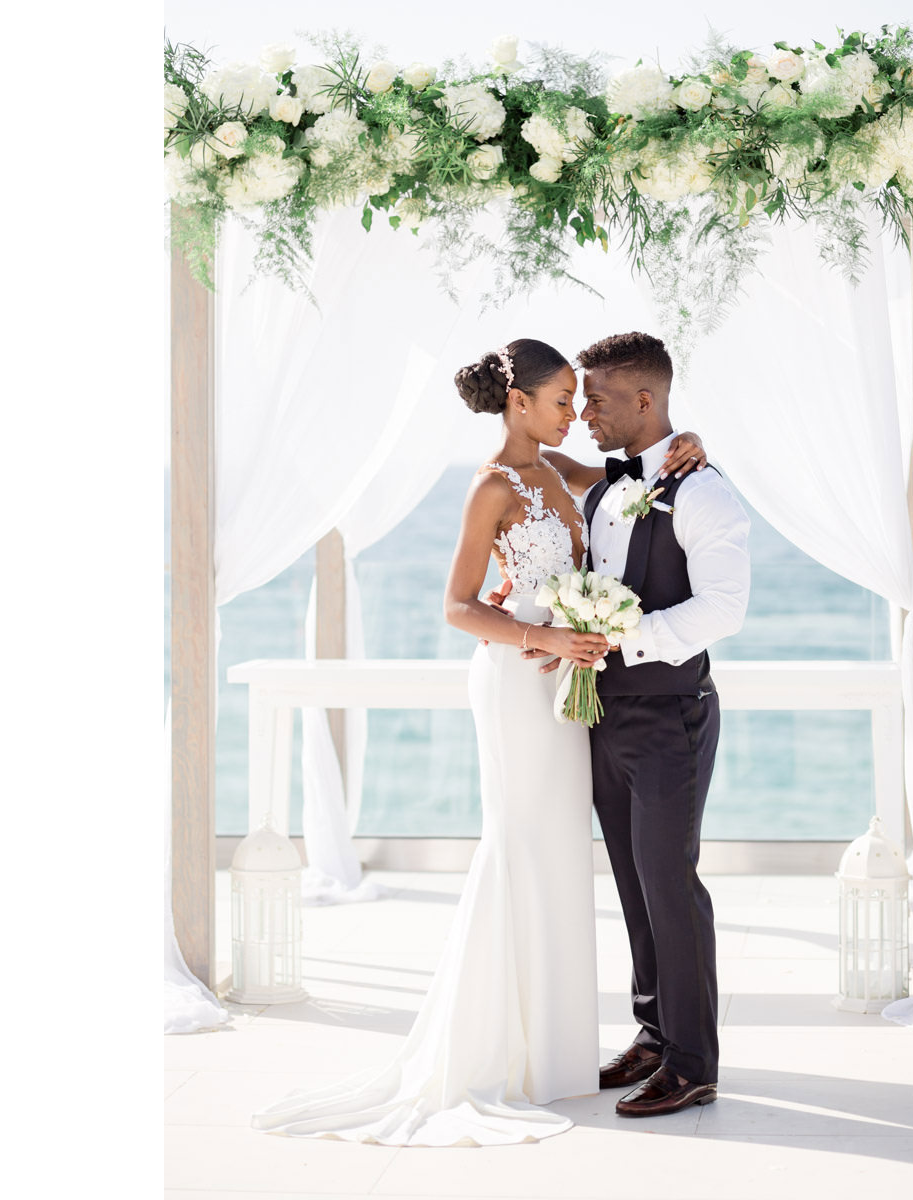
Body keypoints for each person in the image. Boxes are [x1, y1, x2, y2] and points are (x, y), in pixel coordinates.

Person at [251, 338, 706, 1146]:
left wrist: (688, 448)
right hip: (513, 681)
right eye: (563, 400)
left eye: (580, 399)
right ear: (518, 404)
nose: (576, 414)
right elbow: (458, 606)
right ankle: (494, 1042)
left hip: (563, 684)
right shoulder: (490, 487)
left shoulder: (566, 476)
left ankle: (559, 1053)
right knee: (520, 842)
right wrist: (549, 639)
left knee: (562, 848)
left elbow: (640, 480)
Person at [526, 332, 751, 1117]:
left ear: (646, 402)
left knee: (670, 885)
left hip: (669, 718)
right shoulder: (609, 483)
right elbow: (540, 462)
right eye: (578, 399)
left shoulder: (703, 492)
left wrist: (623, 635)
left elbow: (725, 608)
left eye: (597, 399)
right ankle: (654, 1035)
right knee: (632, 883)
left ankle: (693, 1065)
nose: (584, 412)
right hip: (605, 715)